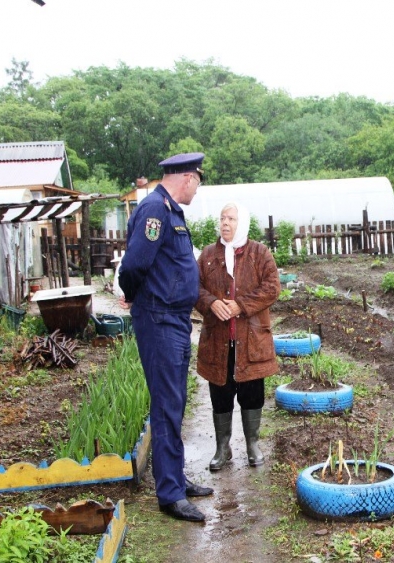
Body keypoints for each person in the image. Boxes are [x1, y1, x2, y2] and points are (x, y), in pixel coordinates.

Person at [117, 152, 213, 523]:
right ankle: (170, 494)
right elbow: (135, 264)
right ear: (187, 178)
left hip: (172, 318)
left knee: (174, 402)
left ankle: (176, 478)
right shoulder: (156, 211)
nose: (196, 189)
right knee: (166, 404)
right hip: (158, 319)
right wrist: (131, 293)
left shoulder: (169, 209)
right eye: (197, 182)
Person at [195, 202, 280, 472]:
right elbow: (192, 287)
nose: (225, 223)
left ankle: (252, 444)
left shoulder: (259, 253)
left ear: (241, 222)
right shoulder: (208, 255)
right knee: (220, 393)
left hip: (251, 339)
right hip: (218, 341)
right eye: (222, 218)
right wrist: (210, 302)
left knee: (252, 393)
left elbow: (272, 287)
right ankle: (223, 448)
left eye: (231, 218)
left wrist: (240, 305)